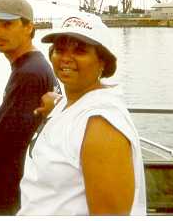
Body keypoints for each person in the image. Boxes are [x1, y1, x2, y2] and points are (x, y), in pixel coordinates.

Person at [18, 13, 146, 215]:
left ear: (103, 62)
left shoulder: (102, 126)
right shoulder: (71, 103)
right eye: (60, 50)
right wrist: (56, 104)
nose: (66, 58)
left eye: (80, 51)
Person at [0, 0, 58, 215]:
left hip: (13, 187)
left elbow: (5, 136)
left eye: (7, 25)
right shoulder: (36, 66)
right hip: (25, 179)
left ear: (29, 27)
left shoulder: (27, 74)